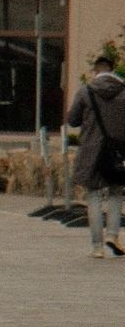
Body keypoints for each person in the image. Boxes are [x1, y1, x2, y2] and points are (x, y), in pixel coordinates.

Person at [67, 52, 125, 258]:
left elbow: (72, 120)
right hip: (116, 153)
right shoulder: (123, 92)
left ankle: (97, 246)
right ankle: (113, 234)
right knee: (116, 193)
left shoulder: (85, 92)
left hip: (91, 152)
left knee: (93, 196)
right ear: (112, 69)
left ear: (96, 70)